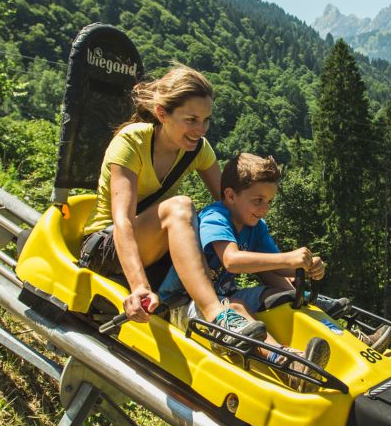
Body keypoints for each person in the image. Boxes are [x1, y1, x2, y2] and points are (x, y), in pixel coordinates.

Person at [158, 153, 391, 388]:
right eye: (258, 200)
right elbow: (231, 260)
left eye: (269, 201)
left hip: (225, 293)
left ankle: (353, 343)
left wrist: (306, 267)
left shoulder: (255, 226)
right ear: (230, 195)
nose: (264, 209)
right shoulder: (215, 217)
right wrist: (290, 259)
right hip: (184, 303)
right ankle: (287, 363)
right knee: (238, 308)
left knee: (282, 293)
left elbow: (278, 267)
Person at [80, 65, 265, 343]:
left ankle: (218, 307)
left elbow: (234, 209)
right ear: (162, 113)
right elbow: (123, 220)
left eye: (206, 120)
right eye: (191, 119)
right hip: (108, 248)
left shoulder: (198, 150)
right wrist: (139, 286)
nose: (200, 130)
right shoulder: (131, 142)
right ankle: (215, 313)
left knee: (210, 219)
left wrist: (278, 271)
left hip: (155, 251)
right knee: (180, 207)